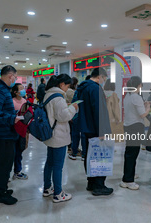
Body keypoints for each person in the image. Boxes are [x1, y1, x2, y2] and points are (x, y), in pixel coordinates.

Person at [0, 65, 22, 205]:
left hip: (6, 133)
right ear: (10, 76)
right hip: (3, 134)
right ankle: (1, 193)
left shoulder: (3, 89)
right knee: (4, 164)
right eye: (15, 77)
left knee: (3, 163)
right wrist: (11, 118)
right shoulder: (0, 90)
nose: (15, 79)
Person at [77, 67, 113, 196]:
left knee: (89, 156)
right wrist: (102, 131)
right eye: (104, 78)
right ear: (100, 76)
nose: (104, 81)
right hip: (95, 129)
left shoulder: (83, 87)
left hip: (86, 128)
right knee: (99, 157)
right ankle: (99, 186)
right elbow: (99, 112)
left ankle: (91, 183)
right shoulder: (95, 88)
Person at [42, 74, 78, 203]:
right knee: (58, 166)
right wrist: (73, 108)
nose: (68, 88)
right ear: (62, 84)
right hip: (59, 135)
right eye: (67, 85)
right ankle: (58, 193)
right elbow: (64, 117)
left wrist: (66, 106)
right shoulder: (58, 98)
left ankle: (47, 188)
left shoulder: (49, 94)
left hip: (50, 134)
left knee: (49, 163)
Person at [121, 76, 150, 190]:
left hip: (128, 126)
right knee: (132, 153)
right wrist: (147, 106)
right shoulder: (136, 97)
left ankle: (129, 175)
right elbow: (142, 114)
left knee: (129, 152)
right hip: (135, 126)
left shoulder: (128, 96)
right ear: (139, 85)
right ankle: (128, 180)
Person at [11, 83, 28, 180]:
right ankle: (7, 173)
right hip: (13, 130)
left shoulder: (24, 101)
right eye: (20, 89)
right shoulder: (11, 102)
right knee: (11, 152)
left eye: (23, 88)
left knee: (19, 151)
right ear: (15, 92)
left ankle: (17, 171)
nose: (23, 90)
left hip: (22, 130)